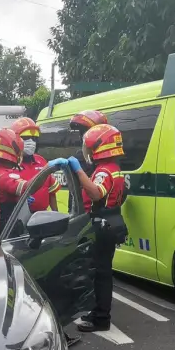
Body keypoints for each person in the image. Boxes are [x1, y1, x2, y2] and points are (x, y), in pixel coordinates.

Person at [62, 123, 127, 334]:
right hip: (112, 221)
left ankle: (101, 318)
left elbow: (96, 194)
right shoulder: (115, 169)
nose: (87, 153)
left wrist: (78, 171)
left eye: (89, 149)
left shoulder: (104, 171)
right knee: (101, 272)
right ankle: (97, 311)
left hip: (101, 224)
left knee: (100, 274)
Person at [11, 117, 58, 212]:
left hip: (43, 216)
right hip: (18, 218)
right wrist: (18, 201)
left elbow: (51, 193)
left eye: (34, 138)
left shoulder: (41, 161)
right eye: (26, 138)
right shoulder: (10, 164)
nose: (31, 142)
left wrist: (56, 215)